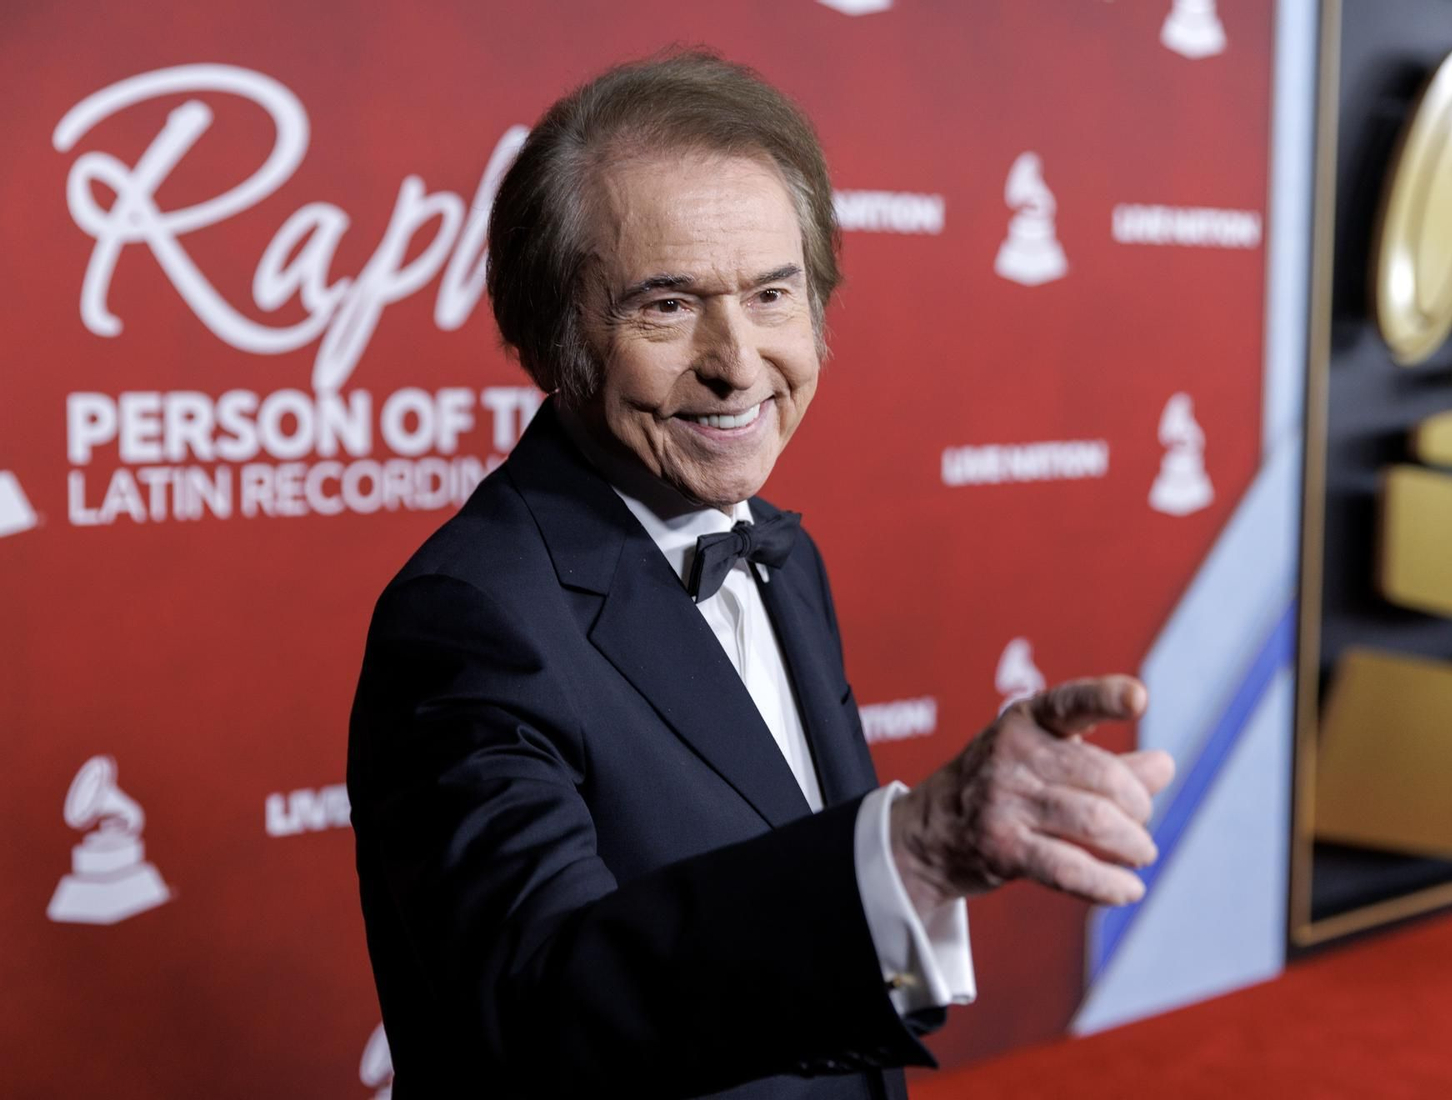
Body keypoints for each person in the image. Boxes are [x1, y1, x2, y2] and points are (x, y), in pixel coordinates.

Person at [348, 50, 1175, 1100]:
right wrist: (909, 854)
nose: (737, 361)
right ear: (552, 338)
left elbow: (788, 931)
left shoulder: (780, 548)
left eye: (772, 293)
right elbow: (541, 1008)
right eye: (665, 304)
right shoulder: (469, 618)